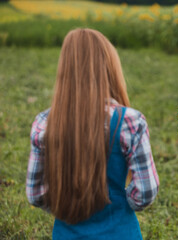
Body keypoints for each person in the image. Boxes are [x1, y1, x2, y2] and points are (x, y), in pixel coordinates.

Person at [26, 28, 159, 239]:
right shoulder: (130, 122)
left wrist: (66, 205)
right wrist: (120, 203)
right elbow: (145, 193)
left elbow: (36, 195)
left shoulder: (44, 123)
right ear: (109, 67)